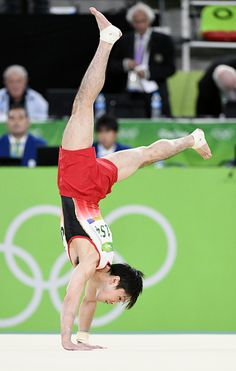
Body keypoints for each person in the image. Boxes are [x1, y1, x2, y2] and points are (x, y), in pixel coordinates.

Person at [58, 7, 212, 351]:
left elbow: (88, 300)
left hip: (95, 189)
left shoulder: (103, 263)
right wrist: (67, 340)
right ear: (114, 279)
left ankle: (190, 139)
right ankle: (108, 40)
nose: (114, 301)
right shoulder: (91, 262)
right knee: (83, 105)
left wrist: (85, 337)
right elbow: (73, 295)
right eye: (119, 296)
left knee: (144, 154)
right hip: (79, 181)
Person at [108, 2, 176, 117]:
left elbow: (170, 68)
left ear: (149, 20)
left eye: (143, 21)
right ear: (131, 22)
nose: (140, 25)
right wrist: (125, 64)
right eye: (136, 21)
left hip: (154, 91)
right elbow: (112, 65)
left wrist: (149, 72)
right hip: (130, 91)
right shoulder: (124, 40)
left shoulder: (163, 40)